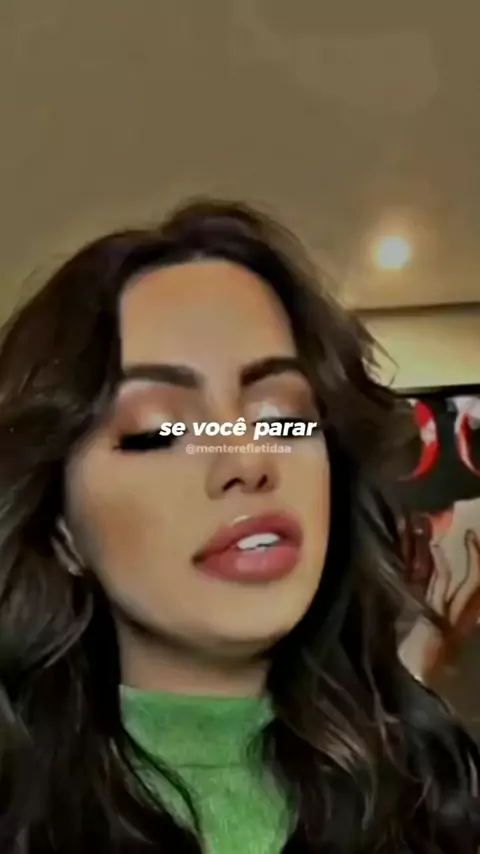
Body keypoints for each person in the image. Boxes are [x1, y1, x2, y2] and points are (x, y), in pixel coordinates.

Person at [0, 200, 478, 854]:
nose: (247, 461)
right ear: (61, 532)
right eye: (160, 431)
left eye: (283, 417)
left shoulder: (438, 788)